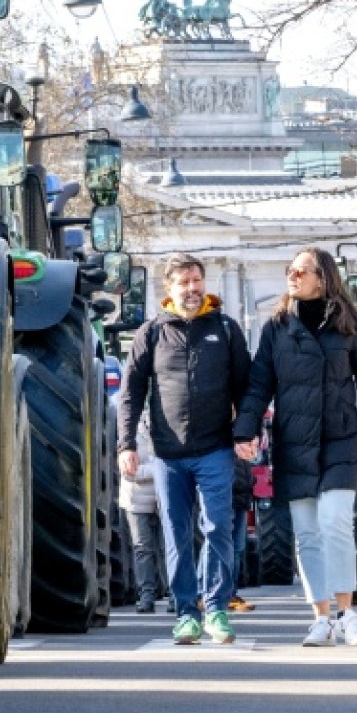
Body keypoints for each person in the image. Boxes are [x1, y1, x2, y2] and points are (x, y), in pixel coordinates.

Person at [233, 246, 357, 647]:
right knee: (306, 532)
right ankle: (321, 618)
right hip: (294, 442)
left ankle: (347, 614)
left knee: (335, 521)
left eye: (301, 271)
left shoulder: (350, 325)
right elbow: (259, 385)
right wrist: (245, 431)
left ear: (323, 279)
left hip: (341, 440)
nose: (292, 276)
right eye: (290, 270)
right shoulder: (276, 327)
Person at [118, 252, 251, 646]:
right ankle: (186, 613)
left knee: (218, 527)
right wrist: (126, 444)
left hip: (216, 449)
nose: (192, 289)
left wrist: (246, 433)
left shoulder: (225, 330)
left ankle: (217, 608)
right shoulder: (151, 333)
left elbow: (246, 388)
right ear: (169, 288)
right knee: (176, 534)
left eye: (197, 281)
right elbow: (131, 393)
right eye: (184, 282)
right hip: (168, 454)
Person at [119, 413, 165, 613]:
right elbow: (129, 471)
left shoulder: (167, 430)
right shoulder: (129, 434)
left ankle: (175, 595)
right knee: (142, 549)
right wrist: (158, 470)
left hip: (163, 498)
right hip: (136, 501)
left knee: (169, 547)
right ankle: (147, 596)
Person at [227, 458, 256, 612]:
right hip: (227, 500)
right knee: (221, 548)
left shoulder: (244, 453)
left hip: (242, 500)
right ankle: (214, 594)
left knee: (236, 549)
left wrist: (250, 480)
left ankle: (231, 594)